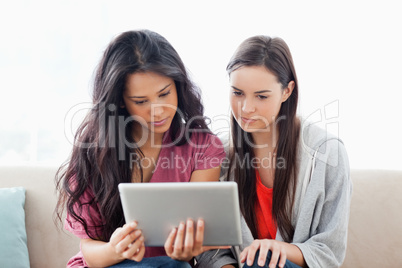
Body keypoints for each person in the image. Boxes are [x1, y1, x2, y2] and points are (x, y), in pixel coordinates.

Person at [54, 29, 226, 268]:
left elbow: (194, 242)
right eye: (141, 101)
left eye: (164, 93)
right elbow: (90, 253)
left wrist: (188, 248)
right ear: (120, 101)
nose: (157, 110)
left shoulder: (202, 148)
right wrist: (115, 250)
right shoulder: (94, 150)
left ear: (178, 85)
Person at [195, 36, 352, 268]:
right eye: (237, 93)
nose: (246, 108)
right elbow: (212, 249)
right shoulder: (219, 155)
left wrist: (279, 250)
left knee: (265, 259)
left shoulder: (326, 152)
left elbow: (330, 250)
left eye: (261, 96)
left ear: (287, 91)